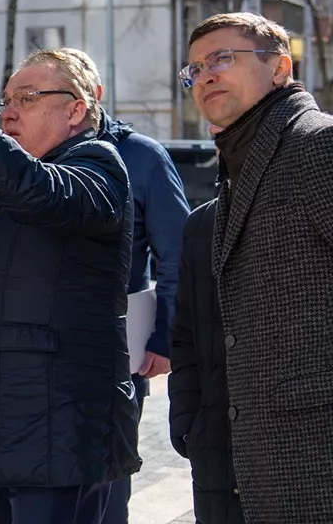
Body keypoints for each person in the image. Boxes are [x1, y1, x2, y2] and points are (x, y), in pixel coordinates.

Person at [0, 22, 139, 524]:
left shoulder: (99, 166)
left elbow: (41, 191)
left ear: (76, 110)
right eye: (5, 100)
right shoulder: (11, 185)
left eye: (27, 95)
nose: (9, 111)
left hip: (59, 433)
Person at [179, 12, 333, 521]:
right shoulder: (239, 168)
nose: (206, 75)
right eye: (195, 68)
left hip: (313, 464)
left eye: (223, 57)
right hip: (245, 462)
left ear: (280, 68)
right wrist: (193, 422)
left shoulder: (318, 144)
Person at [63, 49, 190, 524]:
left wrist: (165, 338)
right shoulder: (29, 152)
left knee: (106, 483)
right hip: (43, 354)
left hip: (121, 351)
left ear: (93, 97)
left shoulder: (141, 156)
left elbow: (175, 255)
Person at [169, 125, 244, 524]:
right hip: (213, 439)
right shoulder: (201, 226)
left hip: (292, 451)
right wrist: (186, 417)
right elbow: (184, 335)